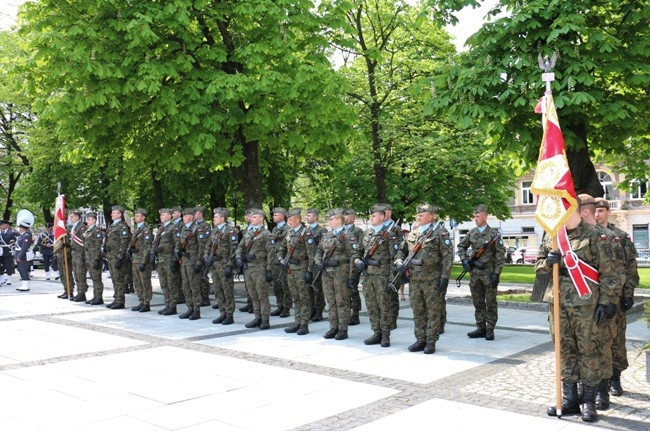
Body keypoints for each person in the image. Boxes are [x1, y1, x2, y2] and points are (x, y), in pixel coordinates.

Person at [537, 199, 619, 422]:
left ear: (573, 208)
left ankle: (589, 402)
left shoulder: (595, 235)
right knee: (564, 351)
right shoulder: (552, 236)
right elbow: (539, 265)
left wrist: (605, 302)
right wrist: (549, 263)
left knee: (588, 351)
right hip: (558, 303)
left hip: (586, 305)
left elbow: (610, 274)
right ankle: (570, 399)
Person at [594, 197, 639, 399]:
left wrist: (628, 293)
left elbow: (630, 267)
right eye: (594, 210)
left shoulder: (620, 237)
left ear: (608, 212)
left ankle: (615, 378)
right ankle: (595, 380)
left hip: (617, 296)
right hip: (594, 297)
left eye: (601, 210)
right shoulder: (588, 235)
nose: (597, 214)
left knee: (617, 338)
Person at [394, 204, 453, 354]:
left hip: (432, 279)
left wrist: (445, 277)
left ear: (432, 216)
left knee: (432, 311)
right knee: (417, 310)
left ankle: (431, 341)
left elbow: (448, 257)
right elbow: (401, 251)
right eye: (418, 215)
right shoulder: (412, 234)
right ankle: (420, 339)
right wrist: (399, 262)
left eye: (422, 215)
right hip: (415, 280)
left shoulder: (440, 233)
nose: (418, 217)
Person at [457, 204, 506, 340]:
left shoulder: (494, 235)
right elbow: (461, 246)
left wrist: (496, 273)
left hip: (488, 274)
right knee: (477, 302)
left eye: (478, 216)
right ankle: (480, 327)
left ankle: (490, 329)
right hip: (475, 274)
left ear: (485, 216)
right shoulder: (472, 232)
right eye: (474, 216)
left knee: (490, 302)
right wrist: (464, 260)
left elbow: (500, 255)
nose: (475, 219)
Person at [354, 205, 399, 347]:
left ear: (382, 217)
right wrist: (357, 261)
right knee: (371, 305)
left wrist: (393, 278)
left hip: (382, 274)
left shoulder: (390, 235)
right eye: (371, 216)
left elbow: (395, 257)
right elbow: (357, 252)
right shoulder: (366, 234)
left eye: (374, 216)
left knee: (384, 305)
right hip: (368, 275)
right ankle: (376, 332)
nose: (371, 218)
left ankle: (385, 334)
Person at [314, 208, 357, 341]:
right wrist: (318, 262)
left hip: (341, 272)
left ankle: (342, 329)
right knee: (331, 301)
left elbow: (353, 256)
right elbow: (319, 252)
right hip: (327, 273)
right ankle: (333, 327)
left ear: (340, 220)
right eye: (329, 219)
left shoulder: (348, 235)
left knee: (342, 301)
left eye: (332, 219)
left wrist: (352, 277)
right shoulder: (326, 235)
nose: (329, 221)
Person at [235, 208, 275, 329]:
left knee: (262, 295)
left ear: (261, 219)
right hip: (248, 268)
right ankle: (257, 317)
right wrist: (238, 257)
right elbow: (240, 246)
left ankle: (265, 319)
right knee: (253, 295)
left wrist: (269, 269)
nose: (251, 219)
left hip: (260, 268)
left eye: (254, 217)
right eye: (251, 217)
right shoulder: (248, 232)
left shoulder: (266, 234)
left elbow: (271, 252)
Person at [278, 208, 315, 335]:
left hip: (301, 268)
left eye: (291, 219)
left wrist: (310, 271)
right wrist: (281, 259)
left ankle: (304, 324)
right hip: (290, 269)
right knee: (295, 297)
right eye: (288, 219)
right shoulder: (289, 232)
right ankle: (297, 322)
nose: (288, 221)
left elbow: (311, 255)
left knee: (304, 297)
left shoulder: (306, 233)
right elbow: (282, 248)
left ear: (298, 220)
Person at [206, 207, 238, 325]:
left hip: (224, 265)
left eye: (215, 217)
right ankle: (222, 313)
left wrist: (230, 265)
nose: (213, 219)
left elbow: (234, 249)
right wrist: (206, 257)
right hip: (215, 265)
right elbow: (208, 246)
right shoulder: (214, 231)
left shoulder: (230, 231)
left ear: (222, 218)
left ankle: (229, 315)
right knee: (218, 290)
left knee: (227, 291)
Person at [176, 208, 202, 320]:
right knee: (185, 286)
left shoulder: (197, 228)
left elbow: (201, 246)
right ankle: (189, 308)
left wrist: (199, 262)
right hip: (184, 261)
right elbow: (178, 242)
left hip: (192, 260)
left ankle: (196, 310)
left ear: (191, 217)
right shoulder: (183, 228)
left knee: (194, 286)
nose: (183, 218)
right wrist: (177, 252)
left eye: (186, 216)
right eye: (183, 216)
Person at [105, 205, 131, 310]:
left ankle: (120, 301)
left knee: (119, 279)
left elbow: (124, 242)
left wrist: (120, 257)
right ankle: (116, 298)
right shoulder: (113, 226)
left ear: (119, 214)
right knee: (114, 279)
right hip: (111, 256)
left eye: (114, 212)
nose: (111, 214)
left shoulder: (122, 226)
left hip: (117, 257)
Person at [155, 208, 179, 315]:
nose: (161, 217)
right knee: (163, 283)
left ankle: (173, 306)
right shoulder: (161, 228)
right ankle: (167, 304)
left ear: (169, 216)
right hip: (160, 260)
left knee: (171, 283)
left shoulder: (173, 228)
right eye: (161, 215)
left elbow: (177, 244)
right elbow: (155, 242)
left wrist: (175, 259)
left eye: (163, 215)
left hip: (169, 259)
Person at [129, 208, 154, 312]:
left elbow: (148, 247)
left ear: (143, 217)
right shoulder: (136, 229)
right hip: (135, 259)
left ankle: (146, 303)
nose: (136, 217)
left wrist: (144, 261)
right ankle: (141, 301)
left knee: (145, 282)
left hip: (142, 260)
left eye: (138, 216)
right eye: (135, 216)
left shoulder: (146, 230)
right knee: (137, 282)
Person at [270, 207, 291, 318]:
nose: (273, 217)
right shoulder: (274, 229)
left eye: (276, 215)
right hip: (274, 260)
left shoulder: (288, 228)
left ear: (282, 216)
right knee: (276, 285)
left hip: (284, 260)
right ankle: (279, 305)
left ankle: (286, 307)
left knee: (285, 285)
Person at [344, 208, 364, 326]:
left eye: (347, 215)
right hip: (341, 266)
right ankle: (346, 313)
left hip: (352, 264)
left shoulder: (357, 231)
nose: (345, 217)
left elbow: (358, 249)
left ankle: (355, 314)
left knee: (353, 290)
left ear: (353, 217)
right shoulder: (340, 231)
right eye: (344, 215)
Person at [306, 208, 325, 322]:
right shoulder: (305, 231)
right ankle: (312, 308)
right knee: (309, 288)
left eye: (309, 216)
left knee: (317, 288)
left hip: (317, 263)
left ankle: (319, 310)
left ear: (315, 217)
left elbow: (323, 249)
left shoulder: (322, 231)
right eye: (306, 216)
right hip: (307, 263)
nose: (306, 217)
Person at [83, 211, 105, 305]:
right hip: (89, 257)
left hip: (94, 258)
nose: (87, 221)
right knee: (93, 278)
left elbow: (98, 246)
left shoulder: (96, 231)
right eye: (87, 219)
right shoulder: (88, 231)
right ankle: (95, 296)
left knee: (97, 278)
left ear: (94, 220)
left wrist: (96, 259)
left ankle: (99, 297)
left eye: (89, 219)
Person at [192, 206, 212, 307]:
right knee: (196, 277)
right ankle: (198, 295)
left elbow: (206, 241)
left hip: (203, 254)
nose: (193, 215)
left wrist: (204, 256)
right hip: (194, 255)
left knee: (203, 276)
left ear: (200, 214)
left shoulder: (206, 225)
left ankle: (205, 297)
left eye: (195, 213)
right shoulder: (193, 225)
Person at [69, 209, 89, 302]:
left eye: (72, 216)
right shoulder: (73, 227)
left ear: (77, 217)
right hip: (74, 253)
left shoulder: (82, 227)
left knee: (81, 273)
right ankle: (79, 292)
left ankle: (82, 293)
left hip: (80, 253)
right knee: (76, 274)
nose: (70, 218)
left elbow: (83, 242)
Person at [14, 214, 34, 292]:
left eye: (20, 227)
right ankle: (24, 284)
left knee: (23, 270)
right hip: (20, 254)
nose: (19, 228)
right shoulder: (22, 235)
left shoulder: (26, 236)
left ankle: (26, 285)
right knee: (21, 270)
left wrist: (19, 256)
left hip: (23, 256)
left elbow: (24, 248)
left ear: (23, 228)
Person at [0, 219, 17, 286]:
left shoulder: (11, 233)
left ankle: (9, 279)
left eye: (2, 225)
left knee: (8, 266)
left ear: (7, 225)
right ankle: (2, 278)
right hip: (1, 252)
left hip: (8, 251)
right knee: (1, 266)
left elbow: (13, 242)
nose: (0, 226)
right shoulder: (0, 233)